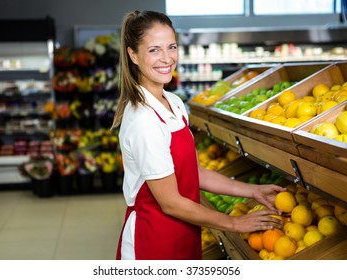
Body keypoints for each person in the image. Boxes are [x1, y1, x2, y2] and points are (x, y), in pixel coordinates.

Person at [112, 10, 286, 260]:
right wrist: (236, 224)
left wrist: (253, 191)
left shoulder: (173, 102)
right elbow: (170, 202)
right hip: (153, 242)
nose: (166, 58)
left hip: (185, 232)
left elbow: (196, 173)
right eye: (154, 50)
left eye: (171, 47)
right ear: (133, 55)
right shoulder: (144, 120)